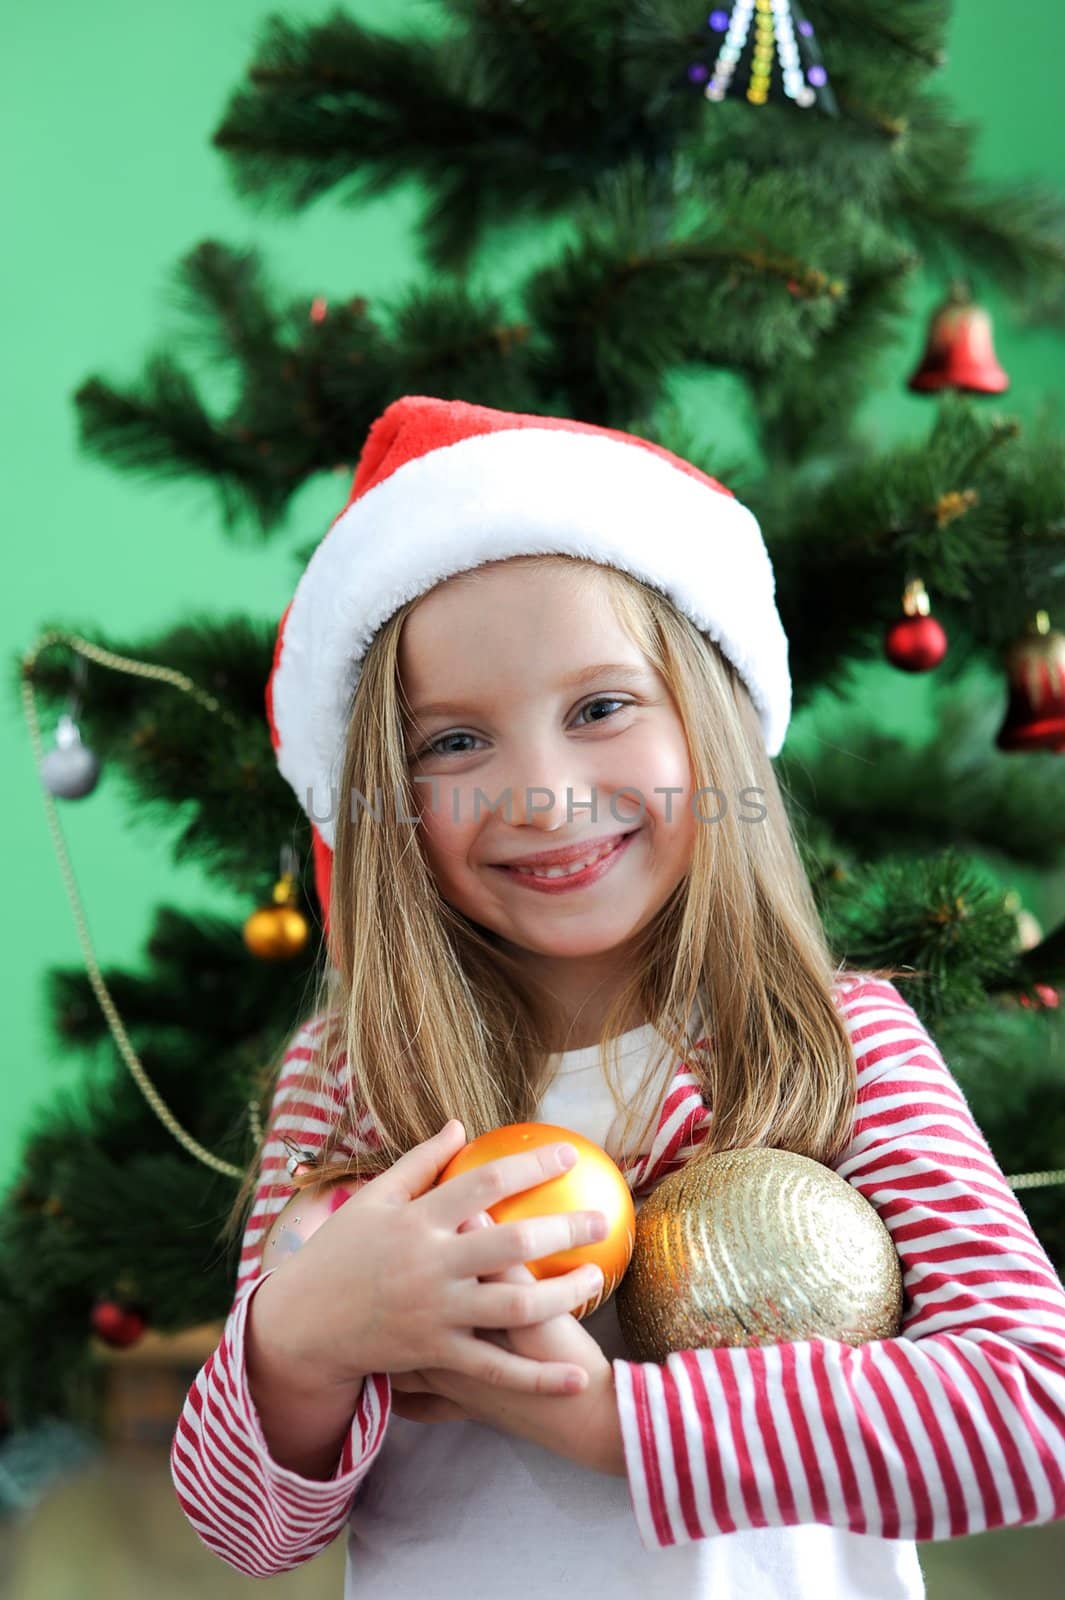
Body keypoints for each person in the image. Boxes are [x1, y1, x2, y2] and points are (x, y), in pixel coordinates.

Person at [170, 395, 1065, 1599]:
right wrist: (300, 1340)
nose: (541, 795)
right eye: (452, 744)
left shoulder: (836, 1044)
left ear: (711, 728)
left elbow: (1032, 1408)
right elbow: (244, 1529)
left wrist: (608, 1421)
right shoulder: (349, 1081)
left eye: (600, 709)